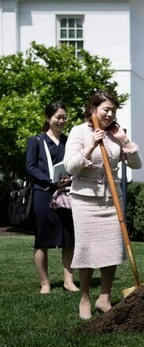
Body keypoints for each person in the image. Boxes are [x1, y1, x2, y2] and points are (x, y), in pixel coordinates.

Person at [64, 91, 142, 319]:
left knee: (112, 250)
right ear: (93, 110)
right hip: (85, 201)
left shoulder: (116, 134)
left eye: (113, 111)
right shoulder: (79, 132)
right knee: (87, 251)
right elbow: (70, 167)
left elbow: (137, 164)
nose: (109, 114)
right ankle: (86, 296)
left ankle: (104, 298)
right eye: (105, 109)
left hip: (111, 201)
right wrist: (90, 147)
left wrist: (124, 140)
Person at [26, 101, 78, 294]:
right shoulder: (36, 141)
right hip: (43, 194)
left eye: (64, 117)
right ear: (48, 118)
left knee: (68, 238)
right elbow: (31, 167)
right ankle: (45, 283)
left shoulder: (68, 141)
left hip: (65, 194)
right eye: (58, 117)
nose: (62, 120)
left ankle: (68, 280)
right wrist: (50, 180)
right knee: (42, 239)